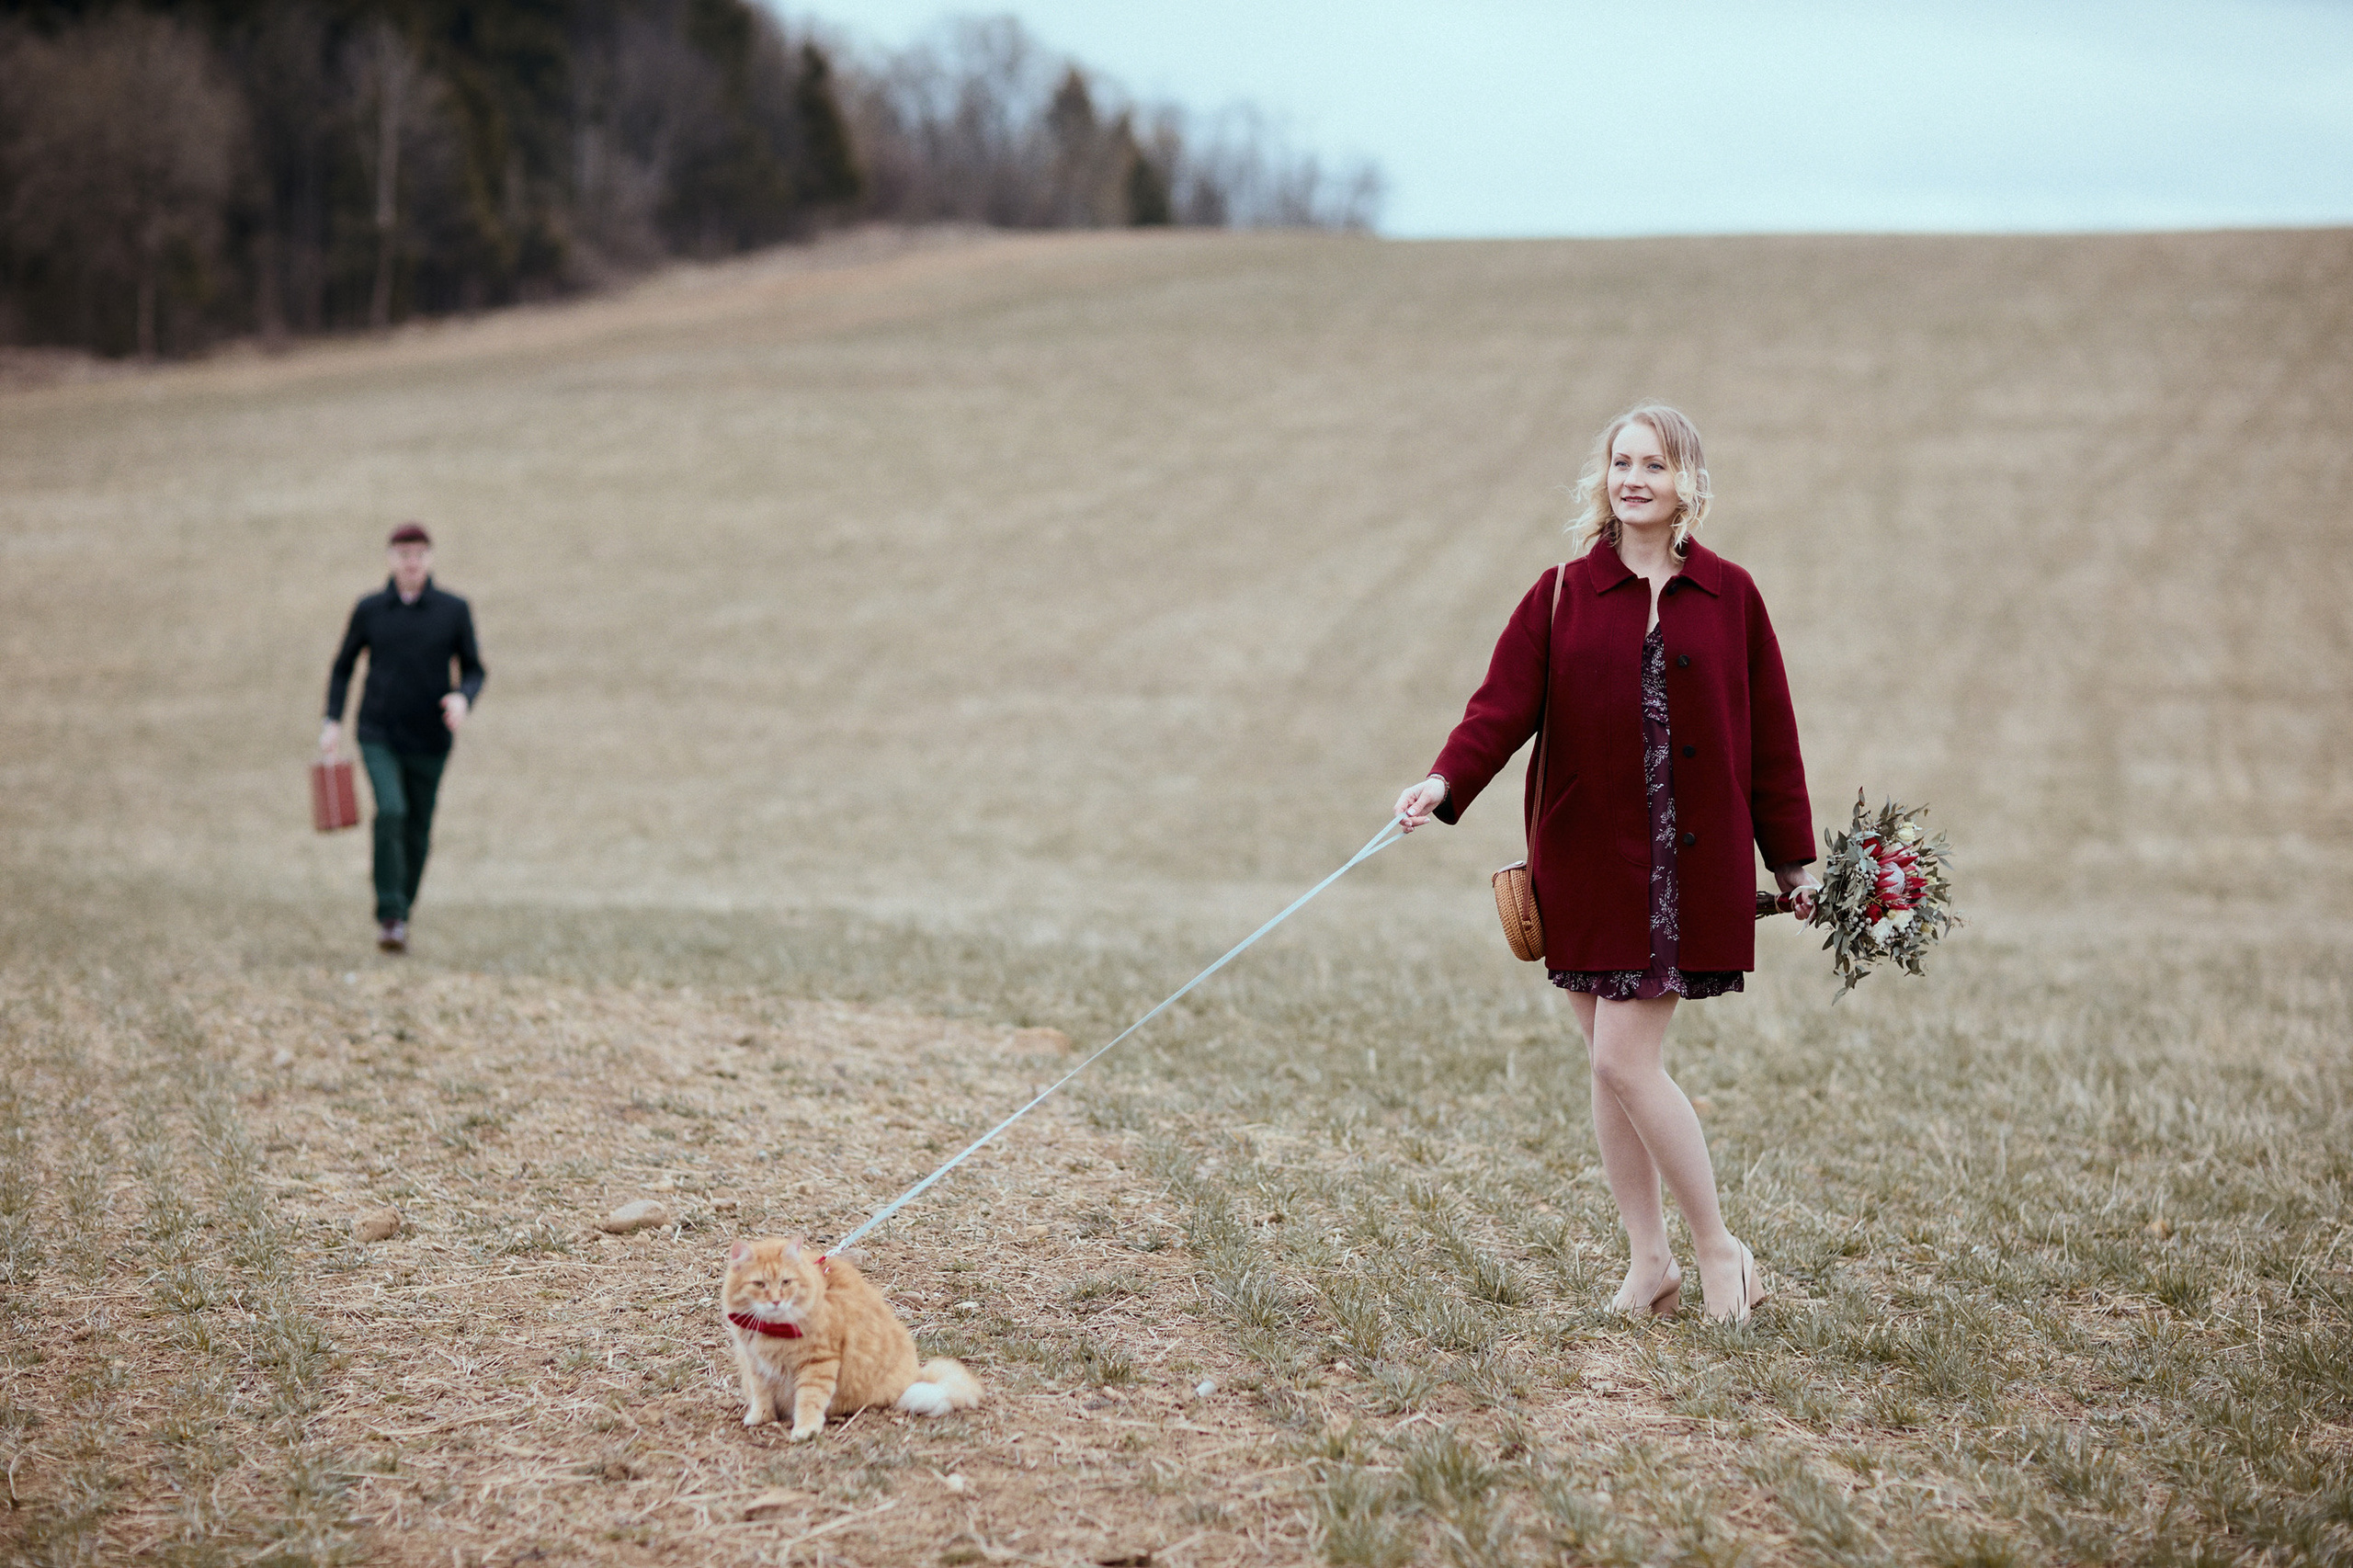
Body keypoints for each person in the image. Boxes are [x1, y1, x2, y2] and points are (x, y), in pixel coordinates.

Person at [1394, 404, 1817, 1324]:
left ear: (1685, 485)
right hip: (1586, 863)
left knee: (1626, 1057)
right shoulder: (1560, 594)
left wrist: (1794, 864)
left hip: (1684, 868)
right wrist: (1441, 780)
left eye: (1654, 465)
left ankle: (1719, 1252)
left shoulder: (1731, 595)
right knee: (1605, 1063)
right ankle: (1649, 1260)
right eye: (1622, 462)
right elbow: (1498, 709)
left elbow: (1772, 738)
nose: (1634, 478)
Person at [322, 522, 485, 952]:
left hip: (432, 738)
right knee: (391, 811)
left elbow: (473, 668)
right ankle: (389, 914)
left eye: (419, 554)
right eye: (403, 554)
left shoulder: (453, 610)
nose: (411, 562)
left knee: (418, 829)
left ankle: (401, 916)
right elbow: (343, 667)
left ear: (430, 559)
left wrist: (463, 699)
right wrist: (332, 721)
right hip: (379, 733)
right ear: (391, 559)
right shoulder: (370, 610)